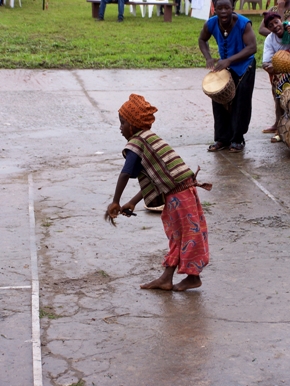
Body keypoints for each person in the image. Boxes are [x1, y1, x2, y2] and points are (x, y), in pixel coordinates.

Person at [105, 94, 212, 291]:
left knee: (182, 234)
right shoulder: (150, 139)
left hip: (179, 194)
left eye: (122, 123)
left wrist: (115, 201)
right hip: (183, 191)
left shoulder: (136, 142)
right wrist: (133, 202)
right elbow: (157, 179)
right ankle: (175, 277)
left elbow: (125, 174)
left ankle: (186, 277)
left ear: (133, 124)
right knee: (184, 233)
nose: (120, 129)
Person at [198, 0, 257, 153]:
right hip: (225, 66)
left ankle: (237, 139)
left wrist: (229, 60)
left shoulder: (244, 24)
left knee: (240, 102)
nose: (223, 11)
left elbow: (252, 47)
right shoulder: (210, 24)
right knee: (218, 100)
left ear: (232, 8)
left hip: (245, 66)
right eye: (219, 8)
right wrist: (208, 57)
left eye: (227, 8)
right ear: (214, 9)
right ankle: (222, 139)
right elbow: (202, 39)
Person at [259, 2, 290, 136]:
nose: (275, 26)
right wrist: (272, 67)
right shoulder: (269, 40)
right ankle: (279, 125)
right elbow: (266, 63)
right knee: (278, 96)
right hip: (280, 73)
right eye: (270, 26)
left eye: (276, 22)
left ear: (281, 21)